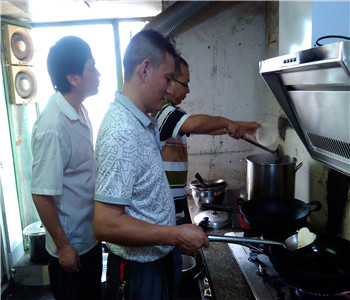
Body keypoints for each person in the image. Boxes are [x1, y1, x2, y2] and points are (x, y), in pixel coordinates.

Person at [93, 29, 209, 300]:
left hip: (157, 260)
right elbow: (106, 225)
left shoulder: (142, 121)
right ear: (145, 69)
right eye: (168, 78)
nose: (171, 89)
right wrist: (175, 235)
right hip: (139, 271)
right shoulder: (121, 132)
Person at [153, 55, 261, 297]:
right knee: (168, 279)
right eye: (186, 83)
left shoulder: (172, 115)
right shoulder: (163, 112)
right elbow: (194, 125)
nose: (188, 90)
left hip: (174, 208)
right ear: (169, 81)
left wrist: (240, 126)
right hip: (163, 213)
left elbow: (202, 128)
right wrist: (228, 122)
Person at [31, 36, 102, 300]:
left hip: (89, 237)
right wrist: (63, 247)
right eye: (92, 67)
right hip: (71, 247)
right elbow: (40, 193)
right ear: (73, 77)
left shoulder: (79, 111)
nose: (98, 74)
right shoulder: (54, 126)